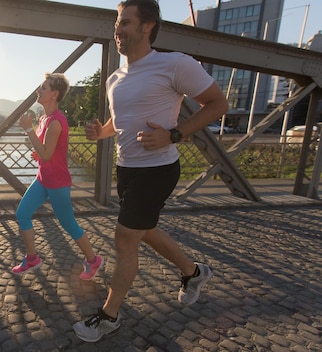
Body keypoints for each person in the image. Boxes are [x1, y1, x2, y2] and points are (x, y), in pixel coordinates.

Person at [72, 0, 229, 343]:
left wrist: (174, 134)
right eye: (117, 23)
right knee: (144, 230)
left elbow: (218, 104)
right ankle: (194, 272)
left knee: (125, 238)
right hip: (126, 169)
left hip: (158, 169)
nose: (118, 30)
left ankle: (108, 317)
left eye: (126, 23)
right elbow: (123, 120)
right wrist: (102, 132)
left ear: (148, 26)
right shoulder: (115, 78)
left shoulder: (173, 64)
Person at [12, 72, 103, 281]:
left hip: (58, 183)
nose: (39, 90)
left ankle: (93, 260)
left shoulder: (56, 122)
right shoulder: (44, 118)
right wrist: (39, 154)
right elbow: (45, 152)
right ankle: (32, 258)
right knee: (22, 214)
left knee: (69, 224)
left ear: (54, 94)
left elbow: (47, 153)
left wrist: (28, 130)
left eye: (43, 88)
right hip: (43, 178)